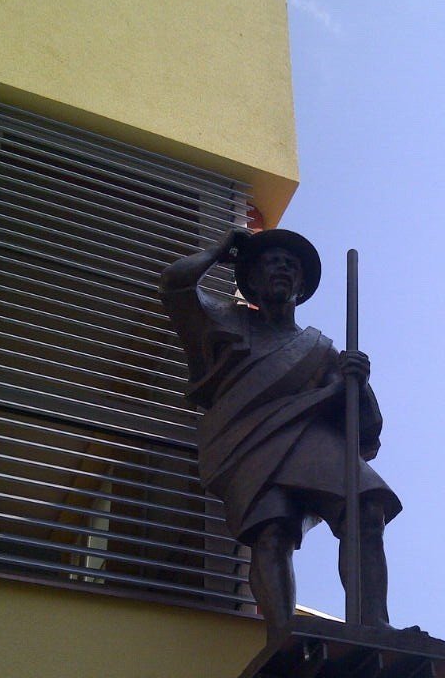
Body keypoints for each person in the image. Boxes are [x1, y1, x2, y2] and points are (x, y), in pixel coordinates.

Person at [159, 227, 401, 630]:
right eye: (272, 262)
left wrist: (357, 383)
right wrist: (221, 250)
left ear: (302, 286)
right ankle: (281, 632)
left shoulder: (321, 350)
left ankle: (374, 623)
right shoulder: (224, 321)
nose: (283, 269)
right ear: (252, 279)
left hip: (308, 439)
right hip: (248, 441)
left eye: (291, 266)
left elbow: (363, 427)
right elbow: (174, 285)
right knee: (272, 532)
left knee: (366, 506)